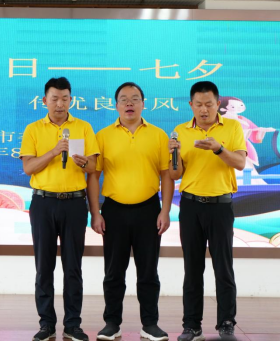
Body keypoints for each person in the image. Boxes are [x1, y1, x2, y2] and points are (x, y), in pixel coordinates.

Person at [87, 82, 173, 341]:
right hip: (114, 211)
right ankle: (112, 323)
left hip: (149, 210)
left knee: (148, 272)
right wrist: (95, 212)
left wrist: (165, 211)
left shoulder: (158, 135)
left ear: (143, 104)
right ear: (116, 105)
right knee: (114, 272)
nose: (129, 103)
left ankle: (150, 324)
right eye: (124, 99)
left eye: (135, 99)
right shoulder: (103, 136)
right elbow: (93, 176)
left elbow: (166, 175)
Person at [20, 77, 99, 341]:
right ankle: (46, 324)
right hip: (43, 203)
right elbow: (29, 168)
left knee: (73, 266)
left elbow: (93, 168)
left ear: (71, 100)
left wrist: (83, 161)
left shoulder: (83, 127)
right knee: (44, 266)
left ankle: (73, 324)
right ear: (45, 100)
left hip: (75, 203)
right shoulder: (33, 129)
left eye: (65, 98)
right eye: (54, 98)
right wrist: (55, 151)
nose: (60, 103)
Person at [169, 81, 247, 341]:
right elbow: (175, 174)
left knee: (223, 267)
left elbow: (240, 163)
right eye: (199, 105)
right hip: (190, 206)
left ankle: (226, 323)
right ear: (191, 105)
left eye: (209, 104)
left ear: (218, 104)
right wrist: (174, 156)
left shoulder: (232, 127)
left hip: (220, 206)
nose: (204, 110)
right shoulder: (180, 131)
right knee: (192, 269)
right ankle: (191, 325)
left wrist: (218, 149)